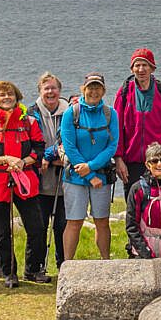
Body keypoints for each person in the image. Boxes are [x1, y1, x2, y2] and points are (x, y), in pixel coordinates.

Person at [0, 80, 49, 287]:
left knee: (36, 227)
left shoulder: (30, 122)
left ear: (17, 97)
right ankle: (9, 273)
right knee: (2, 232)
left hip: (25, 180)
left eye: (10, 95)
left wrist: (23, 162)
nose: (7, 98)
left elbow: (39, 149)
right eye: (2, 95)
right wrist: (6, 160)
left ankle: (33, 269)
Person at [114, 48, 161, 228]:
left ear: (152, 68)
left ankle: (159, 245)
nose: (141, 69)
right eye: (137, 65)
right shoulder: (124, 92)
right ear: (132, 68)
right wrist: (118, 159)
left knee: (157, 205)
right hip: (132, 160)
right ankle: (134, 248)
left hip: (158, 160)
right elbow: (117, 127)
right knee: (134, 208)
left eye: (145, 65)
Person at [60, 73, 119, 261]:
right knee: (74, 222)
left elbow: (112, 145)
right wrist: (88, 174)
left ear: (103, 90)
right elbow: (69, 146)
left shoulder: (110, 114)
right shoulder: (71, 112)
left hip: (101, 176)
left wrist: (92, 167)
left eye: (98, 88)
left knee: (102, 221)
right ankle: (68, 264)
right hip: (76, 177)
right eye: (90, 87)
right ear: (82, 89)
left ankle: (105, 261)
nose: (94, 91)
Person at [29, 72, 68, 273]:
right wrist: (49, 157)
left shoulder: (70, 112)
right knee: (39, 227)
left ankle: (64, 266)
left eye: (53, 88)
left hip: (64, 180)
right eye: (46, 89)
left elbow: (70, 140)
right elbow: (30, 144)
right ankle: (35, 267)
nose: (50, 92)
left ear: (59, 91)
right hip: (39, 179)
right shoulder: (30, 114)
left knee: (62, 227)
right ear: (40, 92)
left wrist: (52, 155)